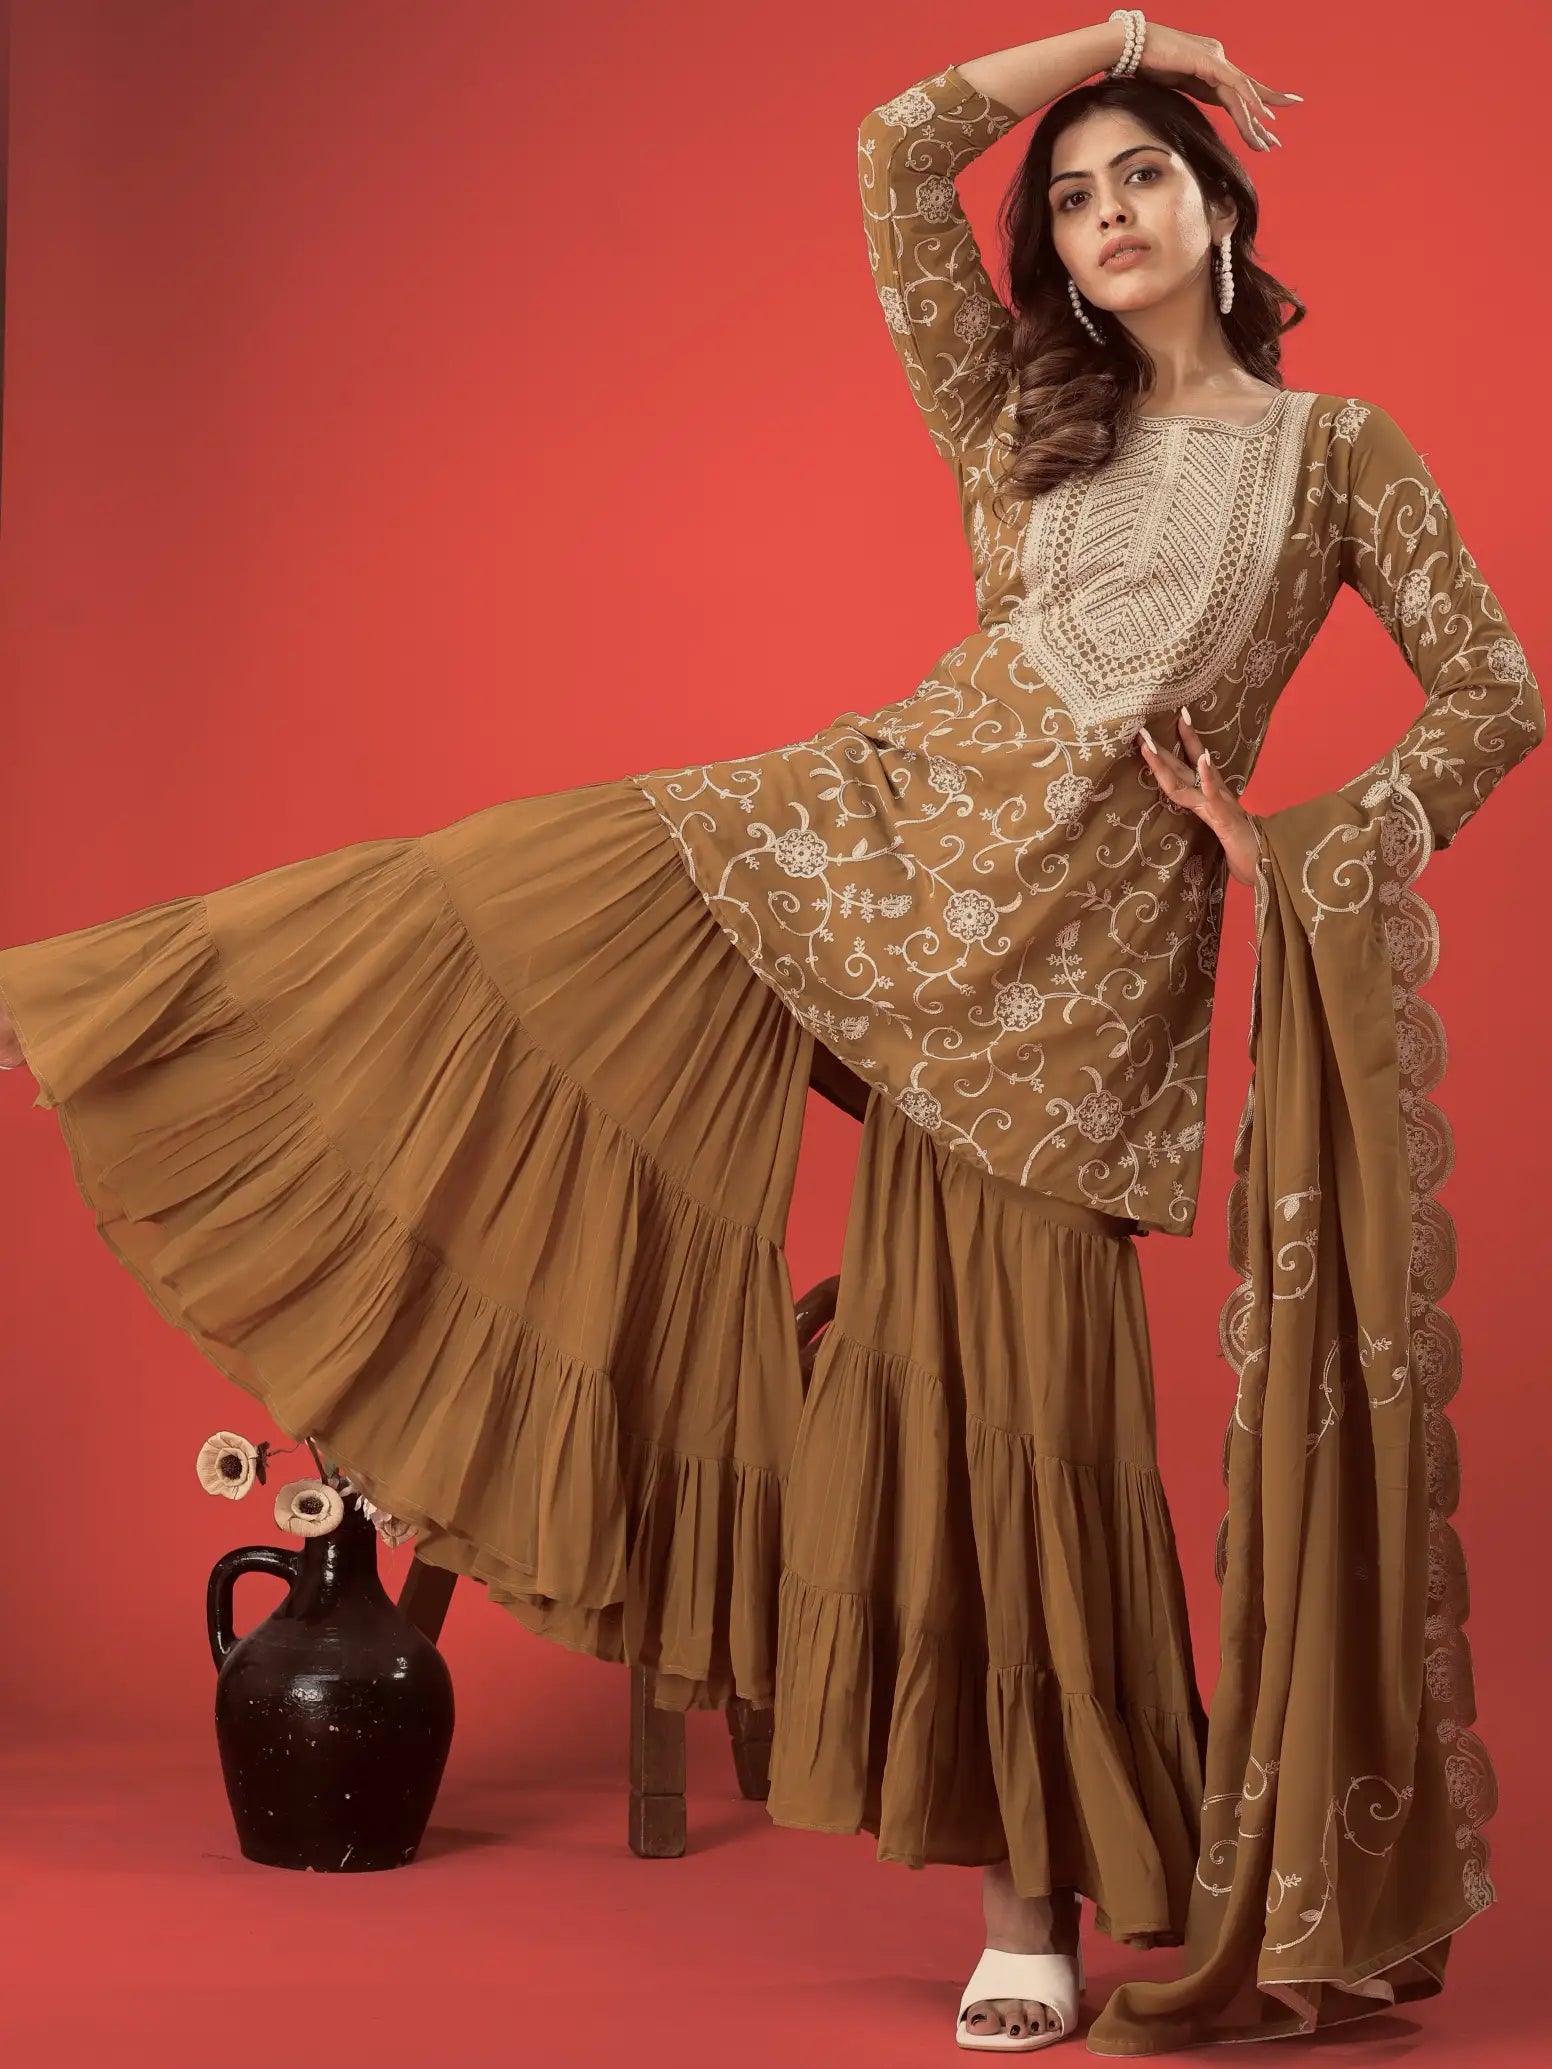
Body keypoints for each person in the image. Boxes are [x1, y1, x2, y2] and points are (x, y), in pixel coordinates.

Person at [0, 12, 1540, 2057]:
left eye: (1141, 171)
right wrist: (1115, 40)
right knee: (481, 898)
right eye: (1071, 198)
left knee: (1020, 1435)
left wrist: (1290, 852)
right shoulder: (1019, 422)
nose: (1103, 214)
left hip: (1070, 1001)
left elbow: (1490, 693)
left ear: (1222, 199)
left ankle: (1039, 1909)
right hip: (862, 853)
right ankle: (119, 1024)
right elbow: (898, 150)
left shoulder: (1336, 455)